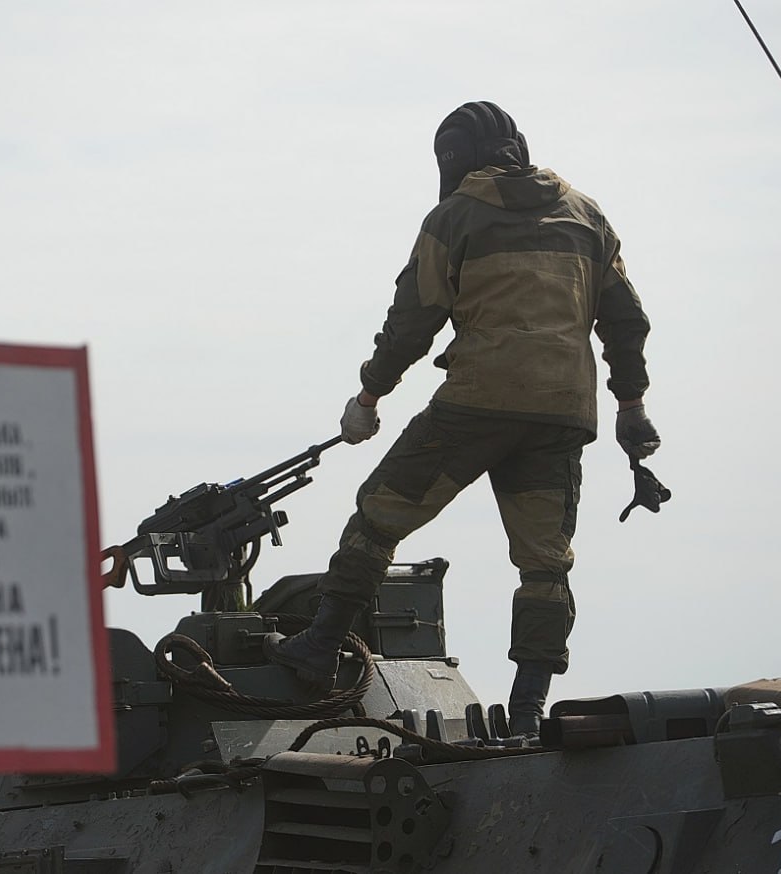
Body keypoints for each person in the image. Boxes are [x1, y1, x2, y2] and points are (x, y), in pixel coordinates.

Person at [263, 101, 659, 739]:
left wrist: (369, 397)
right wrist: (631, 404)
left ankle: (320, 646)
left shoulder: (454, 217)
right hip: (561, 413)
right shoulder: (586, 215)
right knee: (545, 564)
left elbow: (411, 321)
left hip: (476, 405)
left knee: (378, 514)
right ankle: (528, 713)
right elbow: (626, 321)